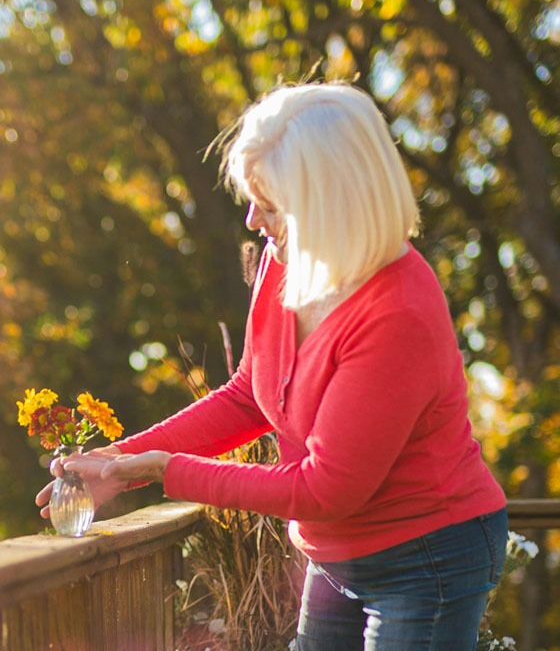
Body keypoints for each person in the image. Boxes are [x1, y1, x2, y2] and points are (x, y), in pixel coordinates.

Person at [37, 82, 508, 650]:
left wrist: (168, 470)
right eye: (252, 197)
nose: (252, 220)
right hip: (334, 557)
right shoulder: (286, 262)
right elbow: (246, 397)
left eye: (271, 205)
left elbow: (324, 488)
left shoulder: (397, 312)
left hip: (426, 558)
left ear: (332, 205)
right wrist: (121, 462)